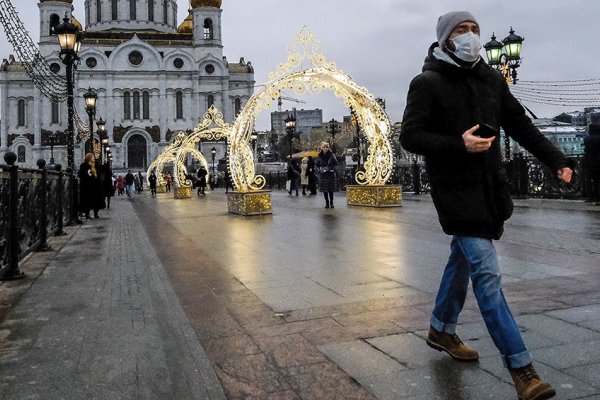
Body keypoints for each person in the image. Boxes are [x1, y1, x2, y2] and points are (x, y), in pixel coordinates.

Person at [400, 11, 573, 400]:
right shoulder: (426, 83)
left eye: (474, 29)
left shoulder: (492, 79)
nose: (471, 36)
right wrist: (457, 144)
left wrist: (556, 159)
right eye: (462, 31)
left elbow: (521, 125)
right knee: (487, 276)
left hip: (489, 189)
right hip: (455, 192)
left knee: (461, 259)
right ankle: (523, 370)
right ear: (446, 39)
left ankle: (441, 330)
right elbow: (411, 136)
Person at [77, 153, 103, 219]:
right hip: (89, 186)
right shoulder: (85, 165)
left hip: (92, 186)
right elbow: (81, 174)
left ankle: (93, 214)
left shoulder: (95, 165)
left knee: (93, 201)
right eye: (92, 157)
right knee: (90, 201)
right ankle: (90, 214)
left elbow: (100, 173)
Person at [315, 142, 338, 208]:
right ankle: (327, 202)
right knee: (325, 190)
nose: (325, 148)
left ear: (328, 148)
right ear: (322, 148)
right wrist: (320, 171)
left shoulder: (332, 155)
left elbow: (336, 164)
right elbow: (316, 165)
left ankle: (331, 202)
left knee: (330, 190)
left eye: (327, 147)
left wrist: (333, 169)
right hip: (323, 175)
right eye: (324, 147)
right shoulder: (319, 156)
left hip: (330, 174)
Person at [584, 123, 600, 204]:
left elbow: (586, 151)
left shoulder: (587, 139)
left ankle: (594, 197)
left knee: (594, 181)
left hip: (591, 163)